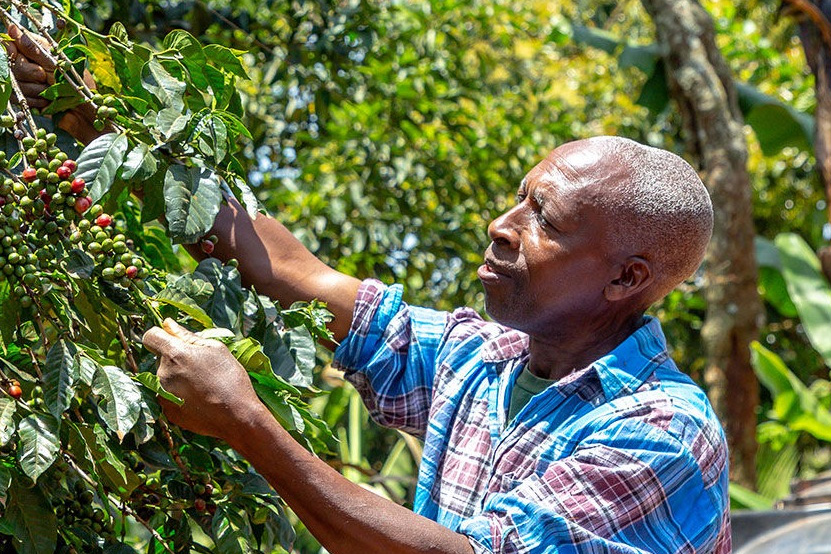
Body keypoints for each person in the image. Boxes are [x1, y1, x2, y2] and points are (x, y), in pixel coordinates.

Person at [10, 28, 730, 554]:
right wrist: (108, 132)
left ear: (626, 277)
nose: (500, 226)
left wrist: (245, 422)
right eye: (516, 200)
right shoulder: (482, 359)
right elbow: (296, 276)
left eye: (542, 218)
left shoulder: (659, 432)